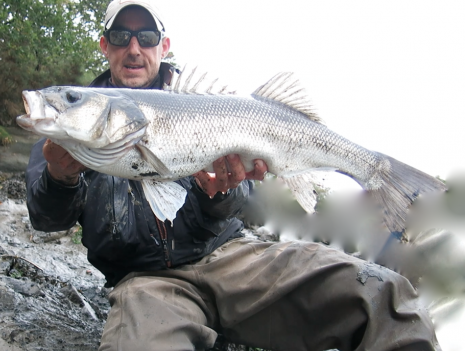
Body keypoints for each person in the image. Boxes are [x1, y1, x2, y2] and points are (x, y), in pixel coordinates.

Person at [25, 1, 442, 350]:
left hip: (232, 258)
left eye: (146, 37)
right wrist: (61, 178)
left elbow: (248, 205)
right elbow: (45, 220)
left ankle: (382, 175)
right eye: (120, 37)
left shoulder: (201, 101)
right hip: (145, 283)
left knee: (382, 294)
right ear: (105, 45)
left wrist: (218, 194)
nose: (134, 48)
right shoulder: (67, 138)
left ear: (163, 45)